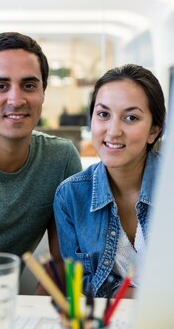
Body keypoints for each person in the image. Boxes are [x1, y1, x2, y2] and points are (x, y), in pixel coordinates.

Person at [0, 31, 82, 277]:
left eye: (29, 85)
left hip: (7, 305)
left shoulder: (60, 159)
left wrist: (31, 313)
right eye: (1, 86)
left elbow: (62, 263)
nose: (16, 99)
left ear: (43, 92)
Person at [54, 64, 166, 297]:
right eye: (103, 114)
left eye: (131, 117)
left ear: (153, 131)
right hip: (110, 324)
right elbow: (80, 284)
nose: (113, 131)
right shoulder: (71, 196)